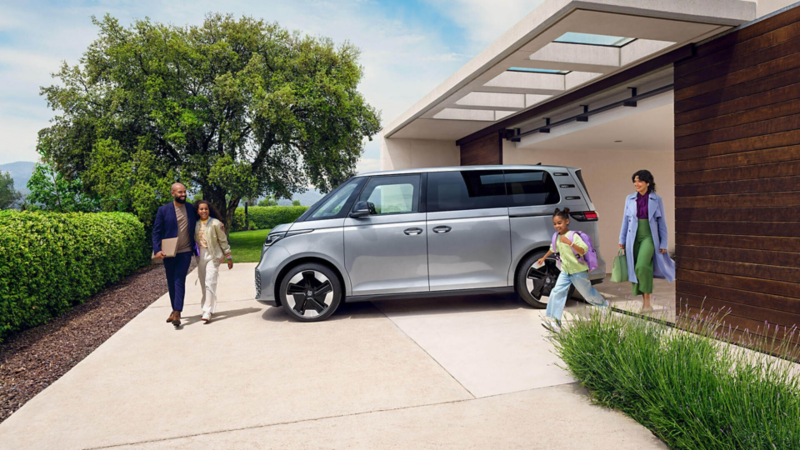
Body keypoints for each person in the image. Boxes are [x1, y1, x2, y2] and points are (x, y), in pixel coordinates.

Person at [538, 208, 608, 332]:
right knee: (556, 292)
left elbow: (583, 250)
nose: (557, 226)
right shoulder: (556, 237)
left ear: (567, 221)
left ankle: (604, 305)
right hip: (565, 271)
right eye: (555, 224)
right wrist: (543, 257)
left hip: (578, 271)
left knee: (587, 294)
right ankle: (555, 322)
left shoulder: (573, 236)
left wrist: (570, 243)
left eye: (559, 223)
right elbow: (553, 248)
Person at [618, 170, 676, 313]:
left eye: (639, 181)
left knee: (642, 266)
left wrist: (664, 243)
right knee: (639, 268)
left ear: (647, 182)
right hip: (633, 237)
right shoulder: (629, 199)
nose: (636, 184)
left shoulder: (657, 199)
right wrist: (622, 239)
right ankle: (645, 302)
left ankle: (648, 302)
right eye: (635, 181)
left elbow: (662, 223)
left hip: (650, 237)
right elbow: (625, 220)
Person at [153, 183, 197, 326]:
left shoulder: (190, 208)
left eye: (184, 192)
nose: (183, 194)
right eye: (180, 192)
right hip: (169, 252)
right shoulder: (163, 210)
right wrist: (157, 250)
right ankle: (174, 310)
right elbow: (157, 232)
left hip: (185, 252)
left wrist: (217, 222)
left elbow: (206, 213)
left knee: (179, 279)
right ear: (173, 193)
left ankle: (177, 312)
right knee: (171, 281)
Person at [194, 200, 233, 323]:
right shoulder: (195, 224)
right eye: (201, 209)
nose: (204, 211)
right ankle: (207, 307)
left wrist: (228, 255)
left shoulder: (216, 224)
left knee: (210, 282)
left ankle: (207, 311)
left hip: (213, 256)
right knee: (203, 283)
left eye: (206, 209)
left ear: (209, 210)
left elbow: (223, 240)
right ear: (197, 211)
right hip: (200, 256)